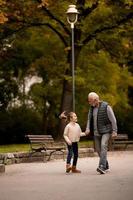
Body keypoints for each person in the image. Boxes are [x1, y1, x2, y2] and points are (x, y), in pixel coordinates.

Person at [85, 92, 117, 174]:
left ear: (96, 100)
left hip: (106, 131)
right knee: (98, 150)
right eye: (88, 101)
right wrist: (88, 128)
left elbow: (113, 120)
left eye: (90, 101)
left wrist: (114, 131)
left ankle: (101, 166)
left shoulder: (106, 107)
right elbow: (89, 119)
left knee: (103, 146)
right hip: (96, 133)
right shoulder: (91, 108)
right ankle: (106, 165)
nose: (89, 102)